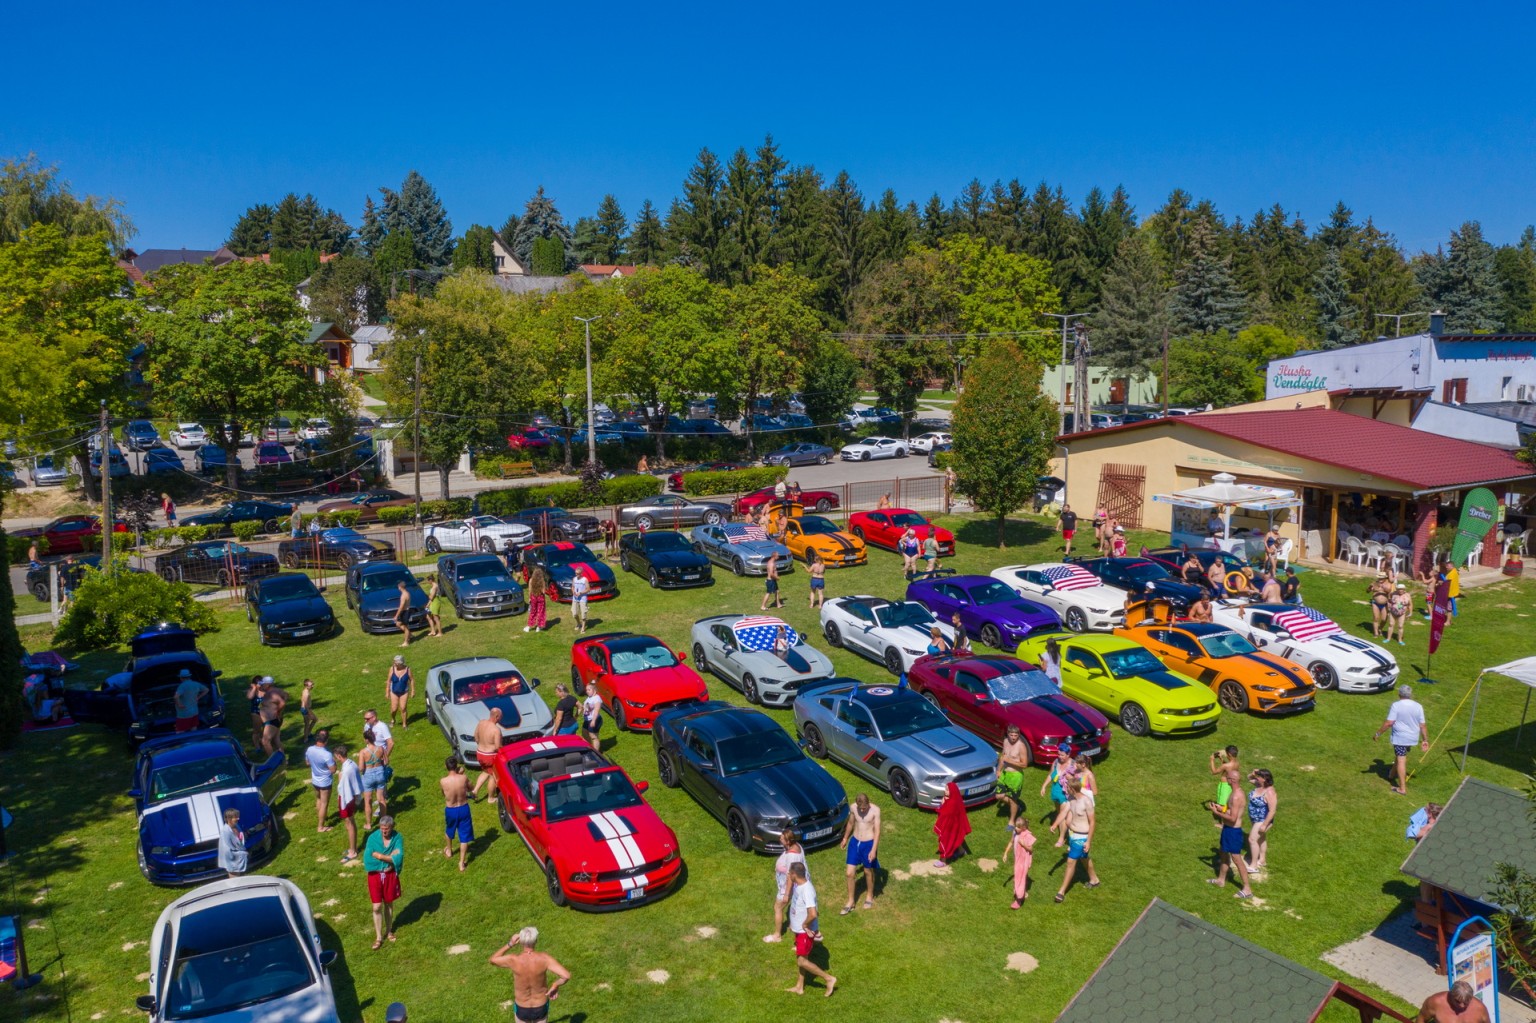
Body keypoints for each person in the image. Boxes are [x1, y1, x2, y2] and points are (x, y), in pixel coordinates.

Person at [489, 928, 571, 1023]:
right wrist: (555, 985)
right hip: (540, 1006)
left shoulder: (513, 960)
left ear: (520, 942)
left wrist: (510, 944)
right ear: (536, 941)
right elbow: (566, 976)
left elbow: (493, 960)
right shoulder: (544, 959)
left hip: (522, 1007)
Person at [785, 863, 836, 997]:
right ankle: (799, 987)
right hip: (799, 930)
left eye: (790, 873)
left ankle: (829, 979)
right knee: (802, 957)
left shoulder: (807, 890)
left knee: (802, 961)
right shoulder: (800, 886)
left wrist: (805, 925)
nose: (789, 875)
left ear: (794, 875)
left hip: (805, 932)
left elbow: (813, 913)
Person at [1375, 684, 1429, 795]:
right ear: (1410, 694)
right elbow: (1422, 725)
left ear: (1399, 694)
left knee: (1401, 759)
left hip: (1400, 738)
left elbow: (1389, 722)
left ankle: (1402, 788)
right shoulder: (1418, 706)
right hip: (1412, 738)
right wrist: (1425, 740)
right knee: (1401, 755)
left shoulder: (1396, 705)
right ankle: (1391, 774)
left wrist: (1378, 733)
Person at [1053, 776, 1100, 902]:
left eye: (1067, 787)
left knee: (1070, 862)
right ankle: (1094, 879)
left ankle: (1061, 891)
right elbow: (1063, 813)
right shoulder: (1071, 799)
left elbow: (1093, 822)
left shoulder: (1086, 802)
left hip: (1082, 837)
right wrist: (1055, 824)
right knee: (1083, 858)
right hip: (1073, 835)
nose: (1065, 789)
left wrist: (1089, 841)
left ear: (1072, 789)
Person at [1207, 776, 1254, 899]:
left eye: (1228, 778)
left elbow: (1233, 818)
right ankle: (1221, 880)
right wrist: (1222, 809)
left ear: (1232, 780)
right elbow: (1232, 811)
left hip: (1233, 831)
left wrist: (1216, 812)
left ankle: (1247, 888)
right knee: (1223, 852)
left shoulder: (1236, 796)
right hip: (1228, 830)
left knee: (1236, 858)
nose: (1226, 779)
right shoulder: (1236, 792)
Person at [766, 829, 811, 943]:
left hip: (789, 887)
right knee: (795, 908)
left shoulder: (792, 856)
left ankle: (777, 935)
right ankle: (794, 926)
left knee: (778, 907)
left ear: (787, 842)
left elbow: (790, 876)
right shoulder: (797, 846)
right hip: (796, 886)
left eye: (782, 838)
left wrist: (786, 894)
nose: (779, 839)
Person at [365, 815, 403, 948]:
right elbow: (369, 858)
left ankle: (389, 931)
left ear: (392, 827)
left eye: (386, 829)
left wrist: (380, 856)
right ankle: (378, 937)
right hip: (375, 876)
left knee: (388, 903)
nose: (384, 831)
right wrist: (389, 858)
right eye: (382, 829)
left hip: (390, 876)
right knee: (376, 906)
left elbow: (398, 857)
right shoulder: (372, 838)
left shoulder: (397, 838)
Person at [839, 793, 881, 913]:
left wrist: (873, 849)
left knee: (868, 871)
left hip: (868, 844)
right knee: (849, 873)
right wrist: (845, 838)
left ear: (868, 803)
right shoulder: (853, 808)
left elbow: (877, 831)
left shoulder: (875, 811)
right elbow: (851, 823)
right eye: (860, 808)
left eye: (864, 807)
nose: (862, 810)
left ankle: (869, 895)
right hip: (855, 842)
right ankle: (851, 901)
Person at [441, 756, 473, 872]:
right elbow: (471, 788)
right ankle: (461, 862)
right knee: (464, 837)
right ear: (456, 766)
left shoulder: (443, 781)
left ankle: (449, 850)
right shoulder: (463, 778)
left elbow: (443, 794)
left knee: (449, 830)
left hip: (451, 809)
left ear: (446, 767)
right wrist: (461, 773)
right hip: (463, 808)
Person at [1042, 743, 1077, 840]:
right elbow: (1050, 775)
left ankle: (1061, 838)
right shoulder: (1056, 762)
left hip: (1065, 794)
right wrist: (1044, 786)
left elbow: (1078, 781)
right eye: (1058, 754)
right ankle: (1068, 832)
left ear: (1068, 754)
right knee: (1059, 814)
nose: (1059, 757)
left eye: (1062, 755)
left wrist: (1070, 779)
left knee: (1063, 816)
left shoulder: (1073, 765)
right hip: (1056, 792)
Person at [333, 742, 361, 863]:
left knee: (349, 823)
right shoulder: (352, 764)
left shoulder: (345, 771)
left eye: (336, 756)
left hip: (346, 799)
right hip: (352, 797)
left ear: (339, 756)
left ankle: (352, 852)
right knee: (351, 822)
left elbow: (342, 787)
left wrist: (339, 777)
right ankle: (352, 847)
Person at [997, 725, 1029, 831]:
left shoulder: (1021, 746)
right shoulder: (1005, 741)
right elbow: (1003, 756)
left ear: (1018, 735)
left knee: (1012, 799)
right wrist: (999, 770)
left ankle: (1011, 821)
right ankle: (1015, 806)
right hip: (1005, 774)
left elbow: (1025, 764)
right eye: (1011, 735)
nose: (1013, 737)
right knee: (999, 796)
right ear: (1008, 734)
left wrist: (1010, 761)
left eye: (1016, 735)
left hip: (1016, 776)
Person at [1245, 768, 1277, 872]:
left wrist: (1264, 825)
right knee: (1261, 838)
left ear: (1264, 779)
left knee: (1252, 839)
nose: (1256, 777)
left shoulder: (1270, 792)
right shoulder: (1259, 785)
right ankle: (1262, 860)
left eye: (1259, 776)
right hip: (1255, 818)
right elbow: (1248, 778)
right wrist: (1253, 773)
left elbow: (1272, 811)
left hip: (1262, 820)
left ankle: (1253, 866)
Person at [932, 781, 971, 867]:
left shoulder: (952, 803)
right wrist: (943, 803)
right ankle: (961, 851)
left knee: (945, 841)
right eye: (945, 789)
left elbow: (944, 814)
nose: (945, 791)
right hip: (954, 825)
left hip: (949, 826)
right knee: (956, 837)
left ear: (952, 791)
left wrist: (943, 805)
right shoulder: (952, 800)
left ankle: (943, 861)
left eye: (947, 790)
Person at [1002, 815, 1036, 909]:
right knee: (1020, 877)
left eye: (1018, 827)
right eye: (1015, 826)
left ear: (1024, 827)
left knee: (1019, 878)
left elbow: (1031, 850)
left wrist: (1023, 844)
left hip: (1024, 860)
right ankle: (1023, 892)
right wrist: (1005, 853)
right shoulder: (1015, 833)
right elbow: (1011, 842)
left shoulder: (1027, 835)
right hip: (1018, 859)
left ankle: (1019, 900)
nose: (1016, 828)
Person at [305, 730, 336, 833]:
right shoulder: (327, 754)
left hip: (315, 780)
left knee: (318, 799)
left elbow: (307, 763)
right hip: (325, 782)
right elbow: (333, 770)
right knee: (324, 803)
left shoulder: (309, 749)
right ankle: (321, 826)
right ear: (326, 741)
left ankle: (322, 817)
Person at [1416, 981, 1489, 1023]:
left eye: (1466, 1002)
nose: (1462, 1006)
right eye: (1458, 1001)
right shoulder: (1435, 1002)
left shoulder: (1480, 1009)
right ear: (1451, 995)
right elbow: (1421, 1019)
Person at [471, 708, 504, 802]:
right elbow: (498, 746)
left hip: (479, 753)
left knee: (486, 771)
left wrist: (481, 745)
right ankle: (491, 798)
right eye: (500, 717)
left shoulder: (481, 722)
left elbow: (476, 736)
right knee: (493, 776)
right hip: (490, 756)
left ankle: (475, 790)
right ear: (497, 716)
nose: (500, 719)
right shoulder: (496, 730)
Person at [359, 727, 389, 823]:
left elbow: (361, 768)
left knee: (368, 800)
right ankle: (384, 820)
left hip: (368, 774)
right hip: (380, 772)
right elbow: (386, 761)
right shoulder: (381, 748)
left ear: (366, 739)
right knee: (381, 798)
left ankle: (368, 823)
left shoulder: (363, 752)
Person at [172, 668, 207, 734]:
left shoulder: (182, 686)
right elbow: (206, 690)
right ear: (189, 676)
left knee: (180, 732)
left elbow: (176, 697)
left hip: (184, 714)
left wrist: (179, 704)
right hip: (195, 712)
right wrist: (198, 697)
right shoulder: (196, 684)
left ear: (181, 678)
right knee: (194, 728)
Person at [259, 680, 287, 757]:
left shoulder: (272, 693)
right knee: (276, 740)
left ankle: (273, 762)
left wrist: (278, 711)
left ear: (268, 685)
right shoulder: (269, 693)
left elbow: (282, 702)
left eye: (263, 684)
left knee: (265, 741)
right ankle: (283, 759)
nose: (261, 686)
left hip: (272, 720)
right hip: (272, 720)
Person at [217, 807, 248, 877]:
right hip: (232, 862)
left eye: (238, 816)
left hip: (239, 860)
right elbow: (227, 851)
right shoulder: (225, 831)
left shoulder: (237, 826)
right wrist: (242, 854)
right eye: (236, 817)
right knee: (235, 882)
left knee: (240, 880)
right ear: (229, 819)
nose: (238, 818)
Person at [386, 655, 413, 730]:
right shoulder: (392, 669)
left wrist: (413, 691)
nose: (394, 664)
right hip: (394, 691)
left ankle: (404, 724)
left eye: (395, 663)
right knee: (394, 709)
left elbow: (412, 680)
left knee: (403, 708)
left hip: (404, 691)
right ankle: (393, 720)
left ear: (400, 663)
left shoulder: (408, 669)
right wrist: (387, 692)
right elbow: (388, 681)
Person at [1368, 572, 1392, 638]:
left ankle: (1380, 628)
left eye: (1382, 578)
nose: (1380, 579)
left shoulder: (1388, 584)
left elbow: (1389, 591)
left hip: (1385, 604)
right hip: (1375, 603)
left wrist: (1382, 588)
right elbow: (1367, 591)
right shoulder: (1374, 583)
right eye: (1379, 577)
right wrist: (1370, 587)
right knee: (1376, 618)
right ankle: (1376, 633)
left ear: (1385, 578)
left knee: (1384, 619)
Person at [525, 565, 548, 632]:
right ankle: (539, 627)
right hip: (540, 597)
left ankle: (529, 626)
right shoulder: (542, 581)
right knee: (541, 612)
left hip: (533, 597)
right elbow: (543, 591)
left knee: (533, 612)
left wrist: (530, 598)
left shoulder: (531, 580)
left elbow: (530, 590)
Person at [581, 682, 603, 752]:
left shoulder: (597, 698)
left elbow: (596, 710)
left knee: (593, 736)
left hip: (595, 719)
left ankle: (596, 752)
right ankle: (590, 747)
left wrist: (593, 720)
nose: (587, 691)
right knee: (584, 732)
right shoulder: (589, 697)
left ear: (594, 690)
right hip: (587, 720)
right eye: (586, 690)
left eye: (589, 690)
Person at [247, 675, 267, 749]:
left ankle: (263, 742)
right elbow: (249, 697)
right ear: (255, 684)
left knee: (266, 729)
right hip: (256, 712)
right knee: (257, 730)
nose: (261, 686)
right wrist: (254, 688)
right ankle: (257, 746)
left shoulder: (265, 690)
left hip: (266, 712)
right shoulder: (252, 691)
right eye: (259, 684)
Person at [393, 581, 414, 648]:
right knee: (398, 624)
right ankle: (409, 635)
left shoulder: (403, 595)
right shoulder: (407, 593)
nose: (398, 588)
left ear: (400, 587)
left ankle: (406, 642)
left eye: (398, 587)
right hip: (405, 611)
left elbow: (401, 607)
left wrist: (396, 615)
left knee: (406, 627)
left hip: (405, 612)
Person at [569, 569, 589, 634]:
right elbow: (572, 587)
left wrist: (581, 592)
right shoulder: (574, 579)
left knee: (583, 614)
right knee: (574, 614)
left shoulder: (585, 580)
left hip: (583, 599)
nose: (576, 574)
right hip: (575, 598)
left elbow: (588, 589)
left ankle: (583, 628)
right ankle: (578, 623)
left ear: (581, 573)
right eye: (575, 573)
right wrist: (573, 592)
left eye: (577, 573)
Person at [299, 678, 318, 743]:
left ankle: (308, 734)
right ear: (306, 685)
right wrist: (309, 713)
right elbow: (306, 705)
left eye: (312, 684)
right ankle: (306, 739)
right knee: (307, 724)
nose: (312, 686)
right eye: (311, 685)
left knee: (314, 720)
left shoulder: (305, 690)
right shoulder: (306, 694)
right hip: (306, 710)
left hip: (305, 709)